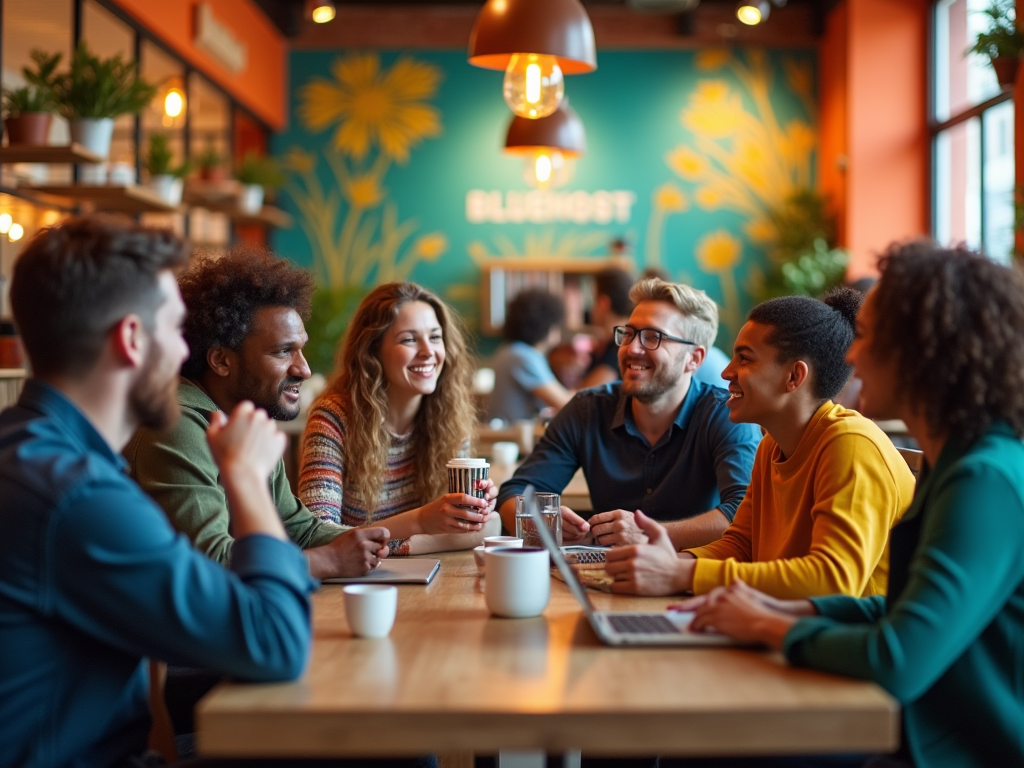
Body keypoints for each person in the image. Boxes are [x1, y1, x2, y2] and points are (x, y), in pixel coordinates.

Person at [677, 242, 1024, 768]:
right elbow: (902, 607)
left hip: (945, 745)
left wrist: (770, 626)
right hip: (919, 727)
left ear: (923, 354)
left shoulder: (982, 479)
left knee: (706, 748)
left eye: (866, 338)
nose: (852, 356)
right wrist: (791, 608)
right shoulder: (956, 459)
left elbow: (898, 658)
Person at [0, 216, 315, 766]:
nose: (184, 354)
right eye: (175, 330)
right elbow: (276, 643)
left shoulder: (33, 452)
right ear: (131, 340)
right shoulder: (79, 497)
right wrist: (244, 477)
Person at [605, 288, 915, 598]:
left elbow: (832, 582)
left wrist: (681, 573)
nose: (727, 372)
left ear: (794, 377)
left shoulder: (851, 444)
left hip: (851, 640)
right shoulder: (771, 445)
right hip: (782, 628)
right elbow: (741, 545)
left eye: (744, 359)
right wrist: (666, 564)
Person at [125, 247, 390, 578]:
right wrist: (330, 561)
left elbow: (298, 530)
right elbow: (209, 562)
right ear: (221, 360)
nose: (304, 369)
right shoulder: (176, 425)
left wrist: (378, 542)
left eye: (301, 349)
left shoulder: (245, 420)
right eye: (283, 352)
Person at [497, 278, 761, 550]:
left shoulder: (725, 415)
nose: (632, 348)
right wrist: (538, 521)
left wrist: (649, 534)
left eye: (652, 337)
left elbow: (746, 514)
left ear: (694, 358)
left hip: (695, 582)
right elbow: (515, 492)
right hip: (606, 580)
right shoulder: (587, 410)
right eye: (629, 334)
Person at [299, 282, 499, 555]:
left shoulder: (448, 417)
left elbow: (488, 529)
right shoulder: (333, 419)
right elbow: (319, 537)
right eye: (409, 339)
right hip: (355, 589)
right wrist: (420, 523)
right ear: (372, 351)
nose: (428, 351)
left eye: (435, 337)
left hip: (428, 580)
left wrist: (474, 510)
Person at [486, 288, 573, 422]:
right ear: (547, 325)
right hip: (513, 437)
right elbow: (565, 403)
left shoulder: (510, 350)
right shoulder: (523, 356)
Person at [577, 267, 635, 390]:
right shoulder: (616, 340)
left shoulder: (620, 343)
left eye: (592, 300)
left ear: (604, 302)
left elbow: (582, 397)